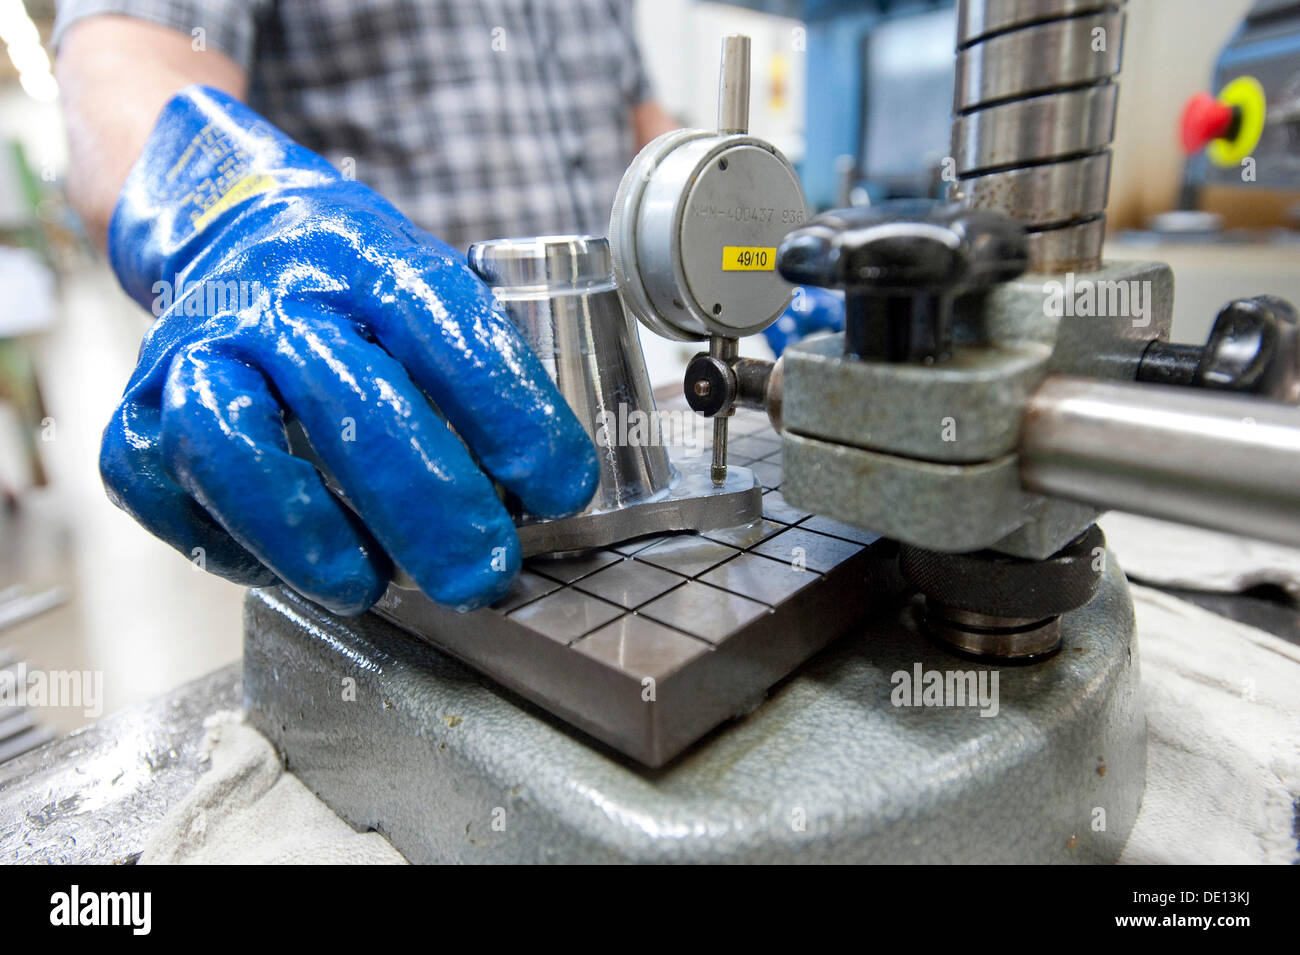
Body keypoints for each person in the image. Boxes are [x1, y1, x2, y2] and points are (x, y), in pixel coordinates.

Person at [52, 1, 680, 614]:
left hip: (621, 410)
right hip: (396, 439)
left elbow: (637, 116)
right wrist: (227, 220)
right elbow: (122, 67)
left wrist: (724, 232)